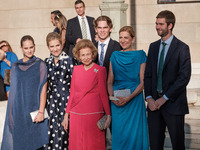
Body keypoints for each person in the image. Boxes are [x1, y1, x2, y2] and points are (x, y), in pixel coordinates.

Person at [144, 10, 191, 150]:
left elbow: (184, 78)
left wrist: (164, 98)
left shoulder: (182, 48)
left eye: (161, 24)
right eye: (156, 23)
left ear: (170, 25)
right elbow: (148, 75)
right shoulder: (153, 47)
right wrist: (149, 98)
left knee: (177, 145)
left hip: (173, 104)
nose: (157, 27)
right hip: (153, 106)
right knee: (155, 145)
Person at [62, 39, 111, 150]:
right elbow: (73, 93)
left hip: (94, 115)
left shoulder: (100, 70)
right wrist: (66, 115)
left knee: (94, 145)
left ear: (93, 54)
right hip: (76, 114)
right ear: (78, 56)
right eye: (82, 55)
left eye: (88, 54)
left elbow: (104, 94)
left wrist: (108, 115)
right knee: (77, 145)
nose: (86, 57)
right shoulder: (76, 69)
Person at [1, 35, 49, 150]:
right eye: (26, 48)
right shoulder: (15, 66)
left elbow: (43, 89)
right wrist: (11, 115)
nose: (29, 50)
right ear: (21, 48)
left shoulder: (41, 64)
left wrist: (41, 112)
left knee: (35, 144)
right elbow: (13, 92)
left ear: (34, 47)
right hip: (19, 112)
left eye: (31, 47)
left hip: (34, 111)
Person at [107, 26, 149, 150]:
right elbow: (109, 81)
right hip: (117, 101)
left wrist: (129, 97)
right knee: (119, 135)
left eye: (126, 37)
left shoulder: (140, 55)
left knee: (134, 136)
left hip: (134, 101)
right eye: (120, 37)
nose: (123, 40)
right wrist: (112, 98)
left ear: (133, 39)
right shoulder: (114, 56)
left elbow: (142, 82)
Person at [44, 32, 74, 150]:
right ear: (48, 47)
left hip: (66, 103)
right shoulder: (46, 62)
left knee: (64, 133)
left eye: (57, 45)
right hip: (50, 103)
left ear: (62, 45)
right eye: (52, 46)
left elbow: (74, 86)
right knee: (51, 133)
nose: (55, 49)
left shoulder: (70, 61)